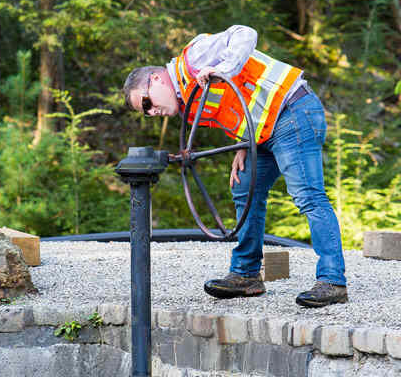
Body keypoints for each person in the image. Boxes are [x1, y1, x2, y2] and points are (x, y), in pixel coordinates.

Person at [123, 24, 348, 307]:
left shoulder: (194, 60)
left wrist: (225, 68)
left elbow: (246, 33)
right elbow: (240, 104)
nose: (152, 112)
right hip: (263, 133)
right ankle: (246, 275)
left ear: (155, 79)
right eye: (146, 113)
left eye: (147, 103)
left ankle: (333, 280)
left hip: (293, 112)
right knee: (244, 186)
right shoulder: (189, 102)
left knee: (308, 196)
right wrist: (243, 143)